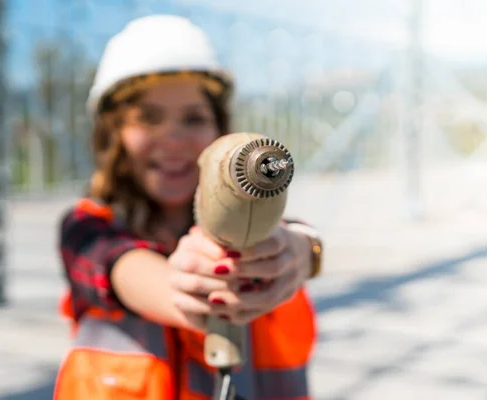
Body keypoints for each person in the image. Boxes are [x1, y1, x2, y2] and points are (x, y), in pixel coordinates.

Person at [53, 14, 324, 400]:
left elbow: (295, 234)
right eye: (148, 118)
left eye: (193, 118)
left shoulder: (267, 235)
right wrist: (183, 288)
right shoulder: (86, 228)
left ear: (220, 131)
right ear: (114, 134)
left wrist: (301, 248)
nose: (174, 139)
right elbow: (119, 265)